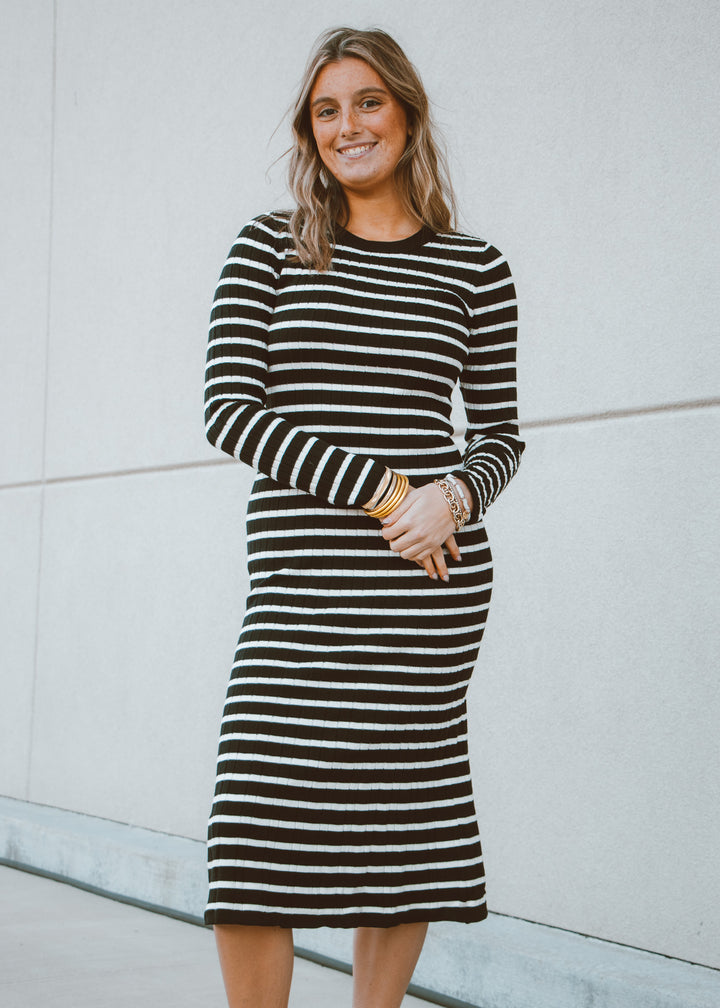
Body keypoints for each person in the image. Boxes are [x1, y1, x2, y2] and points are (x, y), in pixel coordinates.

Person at [203, 25, 524, 1008]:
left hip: (423, 592)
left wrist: (455, 493)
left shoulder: (475, 269)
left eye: (369, 101)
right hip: (301, 594)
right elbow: (229, 410)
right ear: (311, 132)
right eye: (327, 110)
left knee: (404, 835)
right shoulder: (271, 246)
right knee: (255, 838)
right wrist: (387, 488)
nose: (349, 126)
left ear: (408, 112)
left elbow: (503, 433)